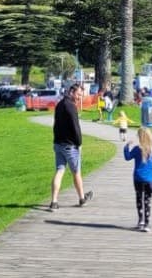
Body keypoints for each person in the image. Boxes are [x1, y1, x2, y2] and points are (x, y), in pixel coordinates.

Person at [50, 82, 94, 210]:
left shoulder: (59, 105)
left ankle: (54, 201)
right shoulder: (71, 106)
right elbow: (76, 128)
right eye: (79, 94)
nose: (80, 97)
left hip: (58, 144)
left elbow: (56, 125)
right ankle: (81, 198)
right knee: (76, 172)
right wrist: (79, 143)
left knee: (59, 170)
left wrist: (56, 140)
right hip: (70, 146)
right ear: (72, 92)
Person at [123, 126, 152, 232]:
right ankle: (147, 224)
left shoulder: (136, 149)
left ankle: (140, 221)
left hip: (137, 178)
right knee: (147, 201)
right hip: (149, 179)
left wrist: (126, 147)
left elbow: (127, 157)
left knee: (139, 200)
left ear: (139, 137)